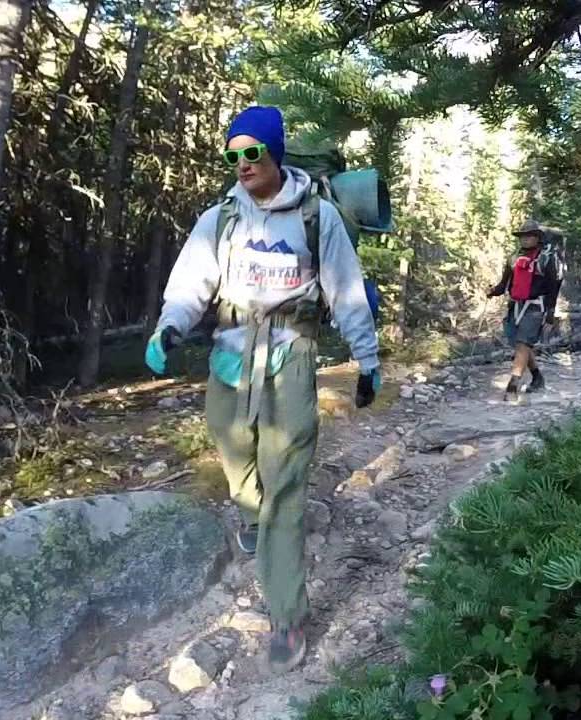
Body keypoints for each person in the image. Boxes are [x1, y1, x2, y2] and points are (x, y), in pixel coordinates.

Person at [143, 106, 380, 674]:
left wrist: (366, 361)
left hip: (292, 357)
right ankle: (250, 514)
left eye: (253, 152)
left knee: (287, 485)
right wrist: (168, 326)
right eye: (233, 154)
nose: (243, 164)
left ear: (275, 152)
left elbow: (346, 293)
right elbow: (191, 281)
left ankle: (286, 614)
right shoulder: (218, 218)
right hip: (229, 353)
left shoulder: (317, 218)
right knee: (231, 449)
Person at [487, 219, 563, 401]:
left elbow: (554, 286)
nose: (525, 239)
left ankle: (512, 387)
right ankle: (537, 377)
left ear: (538, 238)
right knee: (520, 346)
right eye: (522, 236)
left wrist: (551, 313)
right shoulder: (514, 258)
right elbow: (504, 284)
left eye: (529, 236)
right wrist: (492, 291)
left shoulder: (546, 258)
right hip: (515, 306)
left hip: (536, 307)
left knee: (522, 345)